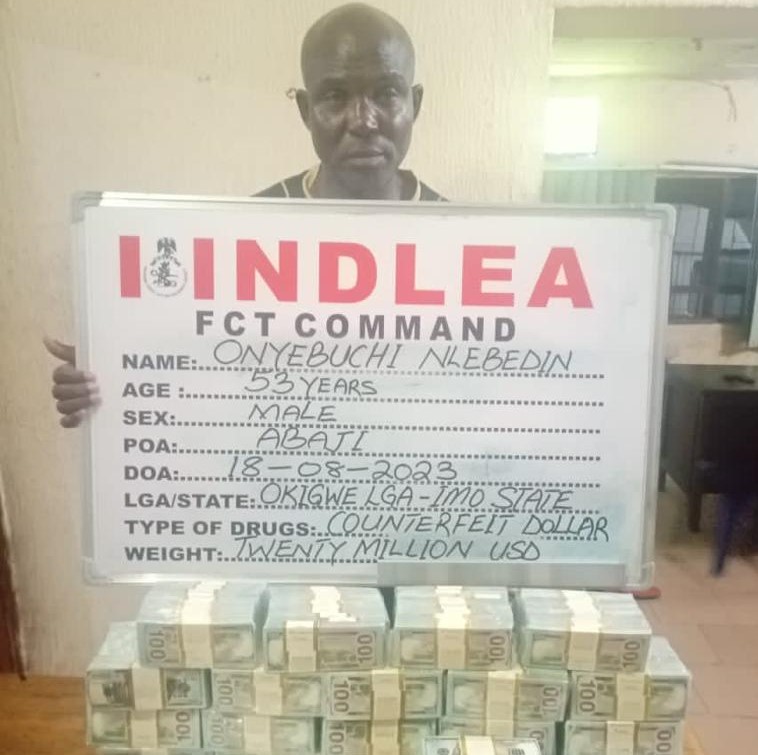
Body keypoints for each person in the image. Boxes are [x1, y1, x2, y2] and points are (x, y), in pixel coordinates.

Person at [44, 2, 442, 427]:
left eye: (386, 93)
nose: (363, 120)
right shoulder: (238, 237)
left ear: (415, 103)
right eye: (334, 96)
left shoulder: (462, 244)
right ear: (305, 110)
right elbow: (197, 368)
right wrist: (113, 380)